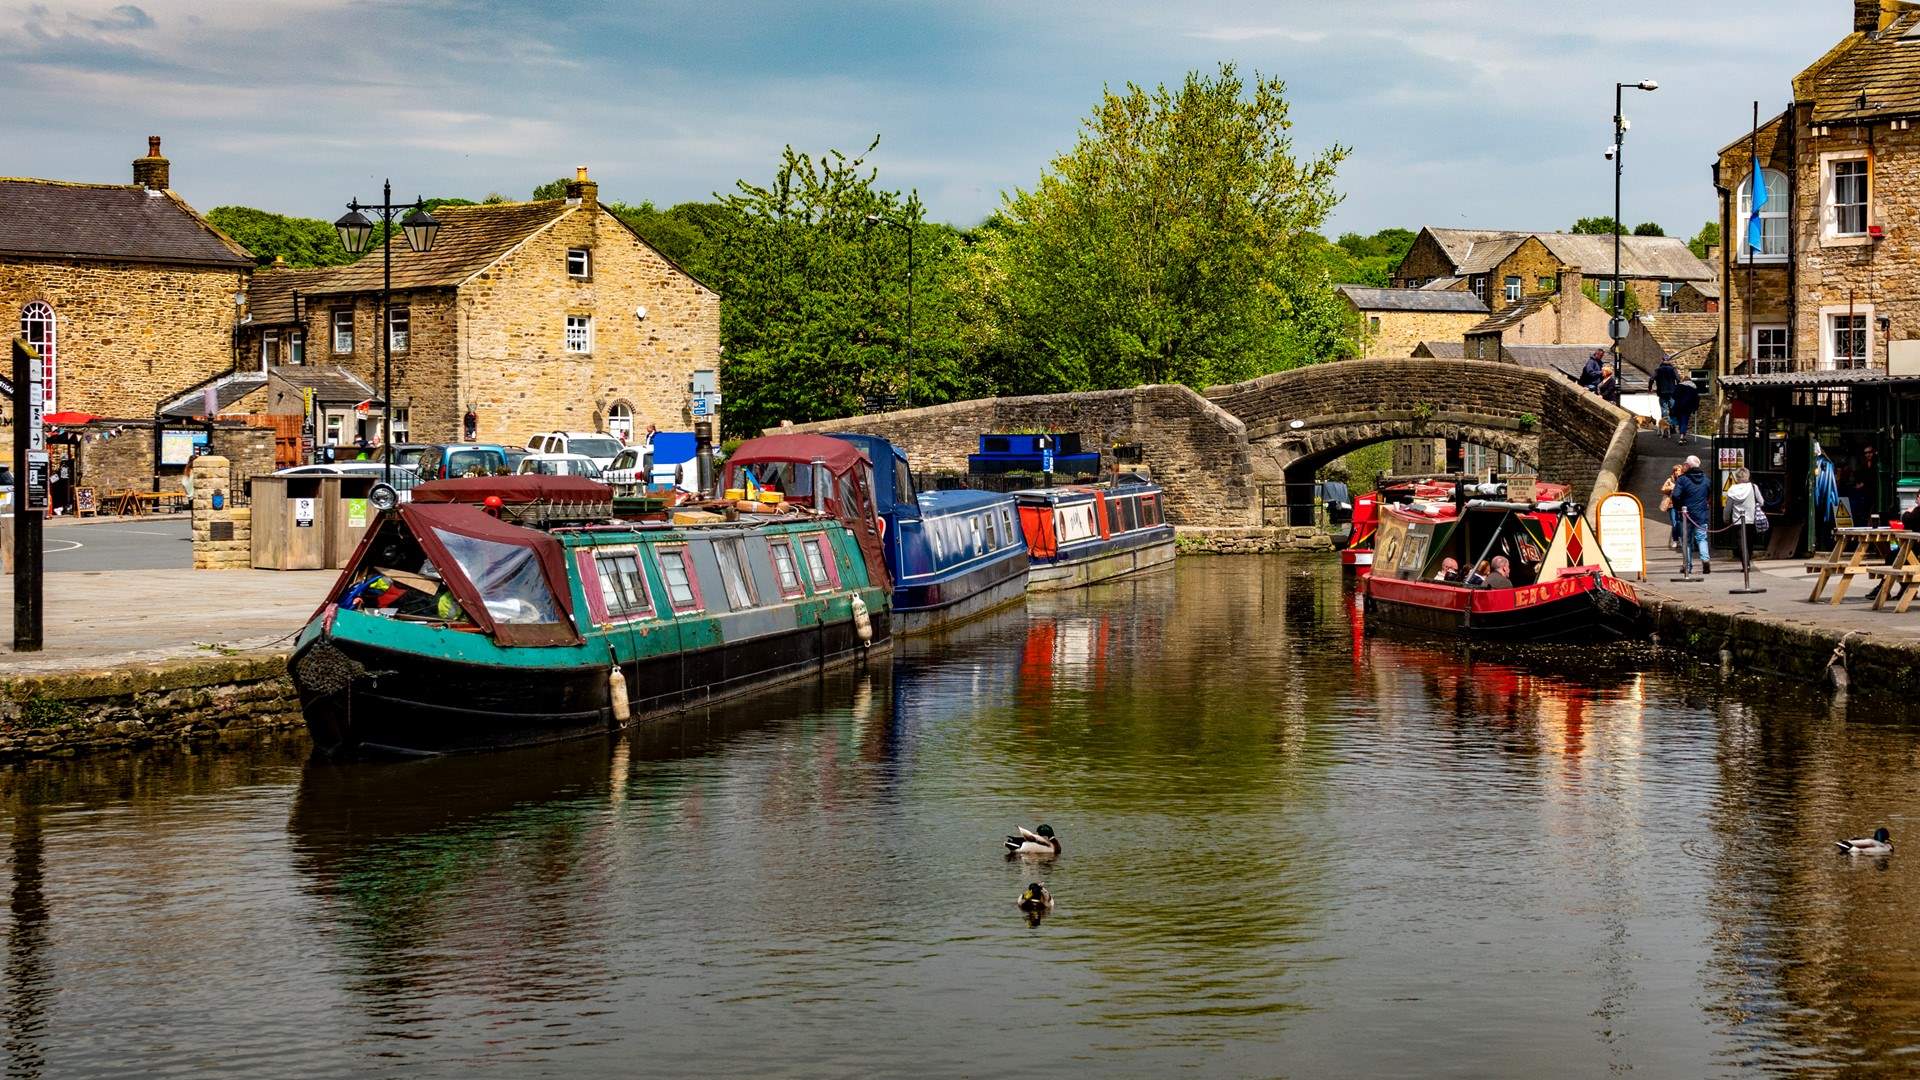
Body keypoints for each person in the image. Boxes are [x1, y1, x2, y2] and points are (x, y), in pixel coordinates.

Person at [1672, 454, 1713, 575]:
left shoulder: (1682, 479)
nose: (1684, 465)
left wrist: (1679, 508)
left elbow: (1675, 495)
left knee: (1687, 541)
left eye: (1685, 464)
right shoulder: (1706, 479)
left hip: (1686, 514)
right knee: (1702, 538)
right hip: (1701, 514)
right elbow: (1710, 495)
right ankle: (1705, 559)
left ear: (1689, 466)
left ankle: (1688, 566)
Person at [1724, 466, 1762, 572]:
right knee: (1749, 542)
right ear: (1748, 476)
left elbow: (1728, 507)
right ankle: (1748, 562)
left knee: (1741, 543)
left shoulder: (1732, 489)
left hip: (1737, 520)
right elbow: (1761, 501)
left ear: (1736, 477)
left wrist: (1726, 518)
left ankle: (1745, 565)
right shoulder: (1753, 487)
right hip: (1751, 519)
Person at [1653, 354, 1680, 438]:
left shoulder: (1658, 370)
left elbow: (1651, 379)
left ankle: (1664, 428)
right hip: (1672, 393)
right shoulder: (1673, 370)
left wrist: (1650, 388)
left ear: (1662, 360)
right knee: (1672, 409)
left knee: (1664, 409)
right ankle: (1672, 428)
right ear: (1669, 361)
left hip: (1661, 393)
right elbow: (1678, 379)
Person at [1660, 463, 1685, 550]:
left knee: (1680, 523)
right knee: (1674, 522)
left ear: (1681, 471)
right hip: (1672, 504)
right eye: (1675, 471)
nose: (1676, 473)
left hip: (1682, 504)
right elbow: (1663, 489)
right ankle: (1675, 540)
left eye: (1678, 471)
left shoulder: (1684, 480)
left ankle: (1681, 539)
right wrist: (1670, 489)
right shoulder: (1670, 480)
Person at [1670, 379, 1701, 444]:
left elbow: (1673, 396)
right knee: (1684, 421)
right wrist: (1695, 408)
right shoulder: (1693, 388)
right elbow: (1697, 400)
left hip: (1678, 407)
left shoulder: (1679, 386)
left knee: (1680, 421)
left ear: (1684, 381)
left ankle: (1682, 436)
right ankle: (1682, 437)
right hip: (1687, 408)